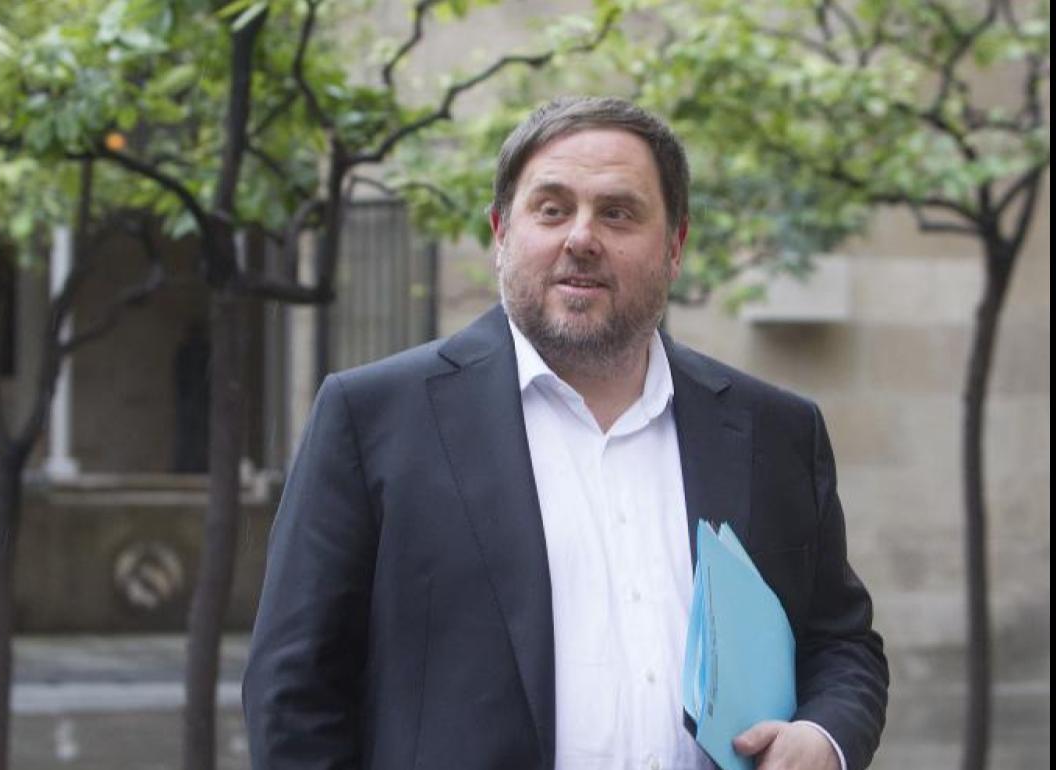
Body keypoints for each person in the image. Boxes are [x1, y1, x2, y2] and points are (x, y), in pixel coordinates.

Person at [243, 96, 888, 770]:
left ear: (675, 247)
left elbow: (841, 643)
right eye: (551, 209)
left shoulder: (775, 431)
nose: (581, 237)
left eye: (618, 213)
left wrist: (824, 737)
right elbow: (294, 692)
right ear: (501, 233)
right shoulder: (374, 419)